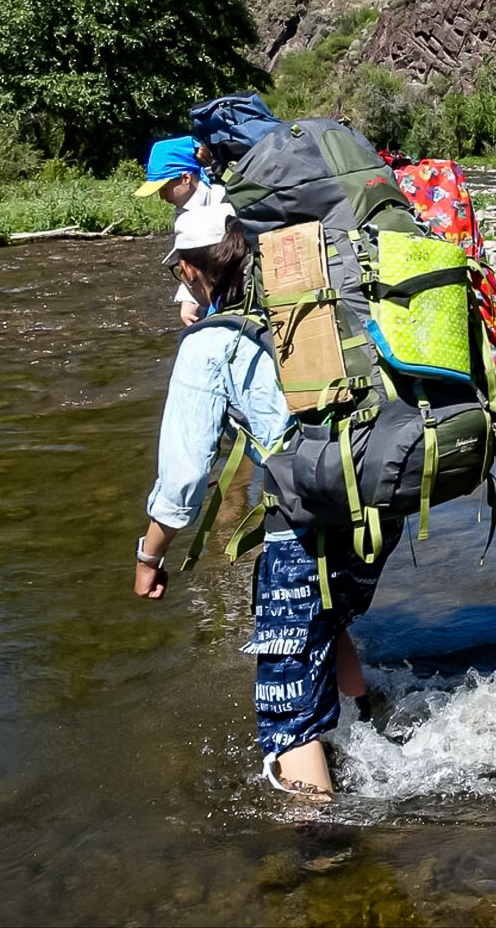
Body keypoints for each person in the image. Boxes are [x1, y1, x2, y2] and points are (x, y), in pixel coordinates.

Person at [131, 202, 387, 801]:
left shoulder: (209, 344)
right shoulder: (313, 307)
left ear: (191, 270)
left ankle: (322, 839)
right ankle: (374, 736)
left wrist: (149, 557)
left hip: (304, 520)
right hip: (374, 499)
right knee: (326, 623)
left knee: (287, 706)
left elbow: (183, 479)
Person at [137, 136, 227, 326]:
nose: (162, 197)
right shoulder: (184, 211)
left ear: (186, 178)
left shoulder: (221, 201)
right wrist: (188, 303)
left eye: (164, 189)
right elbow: (191, 264)